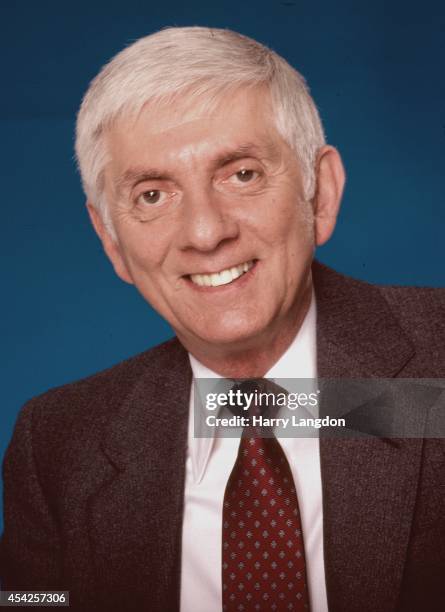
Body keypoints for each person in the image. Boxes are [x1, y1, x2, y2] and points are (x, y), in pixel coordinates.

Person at [1, 26, 444, 612]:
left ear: (321, 195)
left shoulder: (430, 373)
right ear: (111, 239)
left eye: (242, 174)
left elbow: (402, 410)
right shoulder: (57, 441)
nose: (207, 233)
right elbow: (33, 602)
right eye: (153, 195)